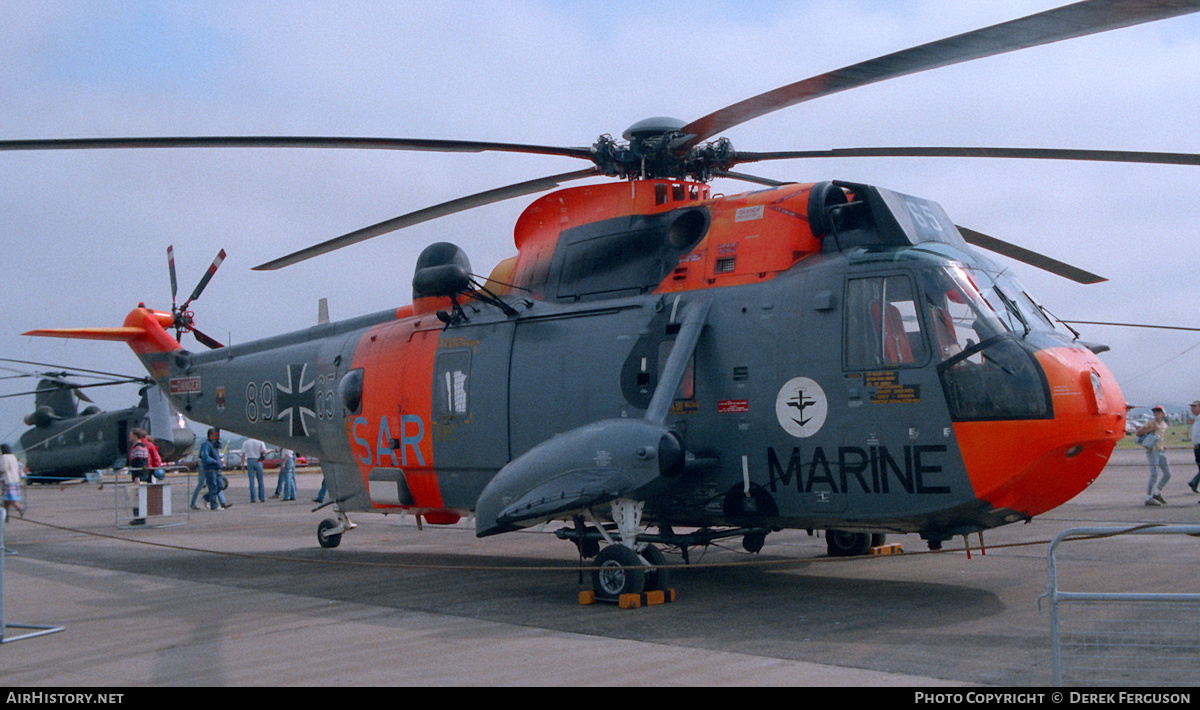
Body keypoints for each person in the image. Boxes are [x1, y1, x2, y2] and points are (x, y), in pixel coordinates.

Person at [1137, 405, 1172, 506]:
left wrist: (1162, 445)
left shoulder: (1165, 425)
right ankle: (1148, 497)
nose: (1156, 413)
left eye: (1158, 411)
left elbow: (1160, 438)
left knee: (1168, 474)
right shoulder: (1150, 423)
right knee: (1154, 474)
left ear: (1163, 414)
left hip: (1161, 451)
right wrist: (1151, 429)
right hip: (1152, 451)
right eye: (1155, 411)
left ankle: (1157, 493)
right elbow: (1138, 433)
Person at [193, 428, 229, 511]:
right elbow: (205, 456)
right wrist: (214, 461)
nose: (216, 437)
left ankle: (206, 497)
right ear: (210, 435)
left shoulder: (214, 444)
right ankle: (214, 505)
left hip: (217, 468)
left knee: (220, 486)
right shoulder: (207, 444)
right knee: (213, 486)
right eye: (214, 435)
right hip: (210, 468)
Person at [1, 443, 25, 520]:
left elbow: (3, 468)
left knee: (11, 499)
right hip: (15, 480)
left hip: (8, 480)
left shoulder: (4, 457)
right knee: (6, 500)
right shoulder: (13, 457)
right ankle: (6, 516)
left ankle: (20, 510)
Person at [241, 437, 267, 503]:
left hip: (250, 460)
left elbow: (243, 454)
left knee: (251, 480)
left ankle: (253, 498)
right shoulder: (260, 441)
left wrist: (243, 465)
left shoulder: (246, 442)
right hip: (257, 459)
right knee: (260, 480)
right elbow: (264, 451)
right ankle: (262, 497)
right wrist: (261, 459)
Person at [1188, 400, 1200, 494]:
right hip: (1197, 448)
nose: (1192, 409)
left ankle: (1194, 482)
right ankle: (1195, 483)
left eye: (1194, 406)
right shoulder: (1197, 419)